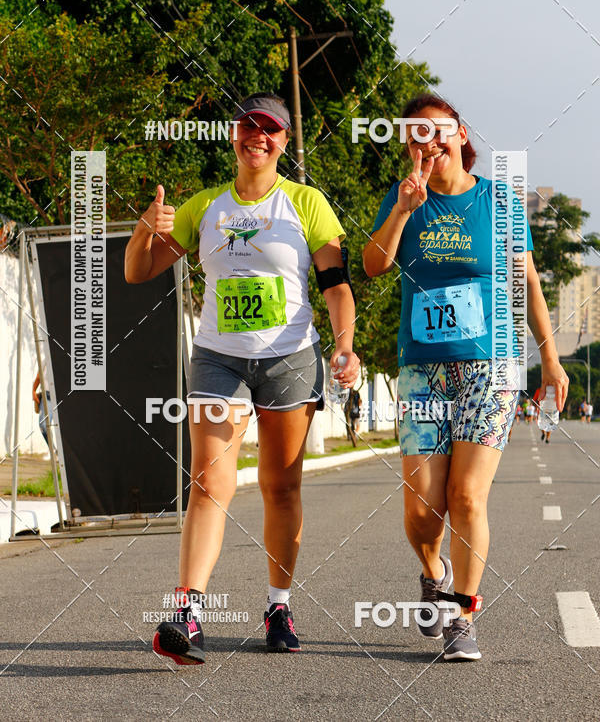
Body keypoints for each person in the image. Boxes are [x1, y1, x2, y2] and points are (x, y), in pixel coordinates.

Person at [125, 92, 359, 664]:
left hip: (290, 359)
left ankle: (278, 606)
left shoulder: (306, 203)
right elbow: (138, 271)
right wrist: (142, 230)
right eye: (249, 127)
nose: (259, 137)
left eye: (270, 130)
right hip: (218, 358)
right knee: (209, 485)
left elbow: (336, 287)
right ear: (234, 135)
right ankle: (188, 613)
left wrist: (345, 345)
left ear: (284, 141)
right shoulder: (203, 206)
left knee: (281, 487)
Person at [363, 93, 568, 661]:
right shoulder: (404, 198)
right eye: (416, 134)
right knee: (422, 511)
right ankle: (434, 573)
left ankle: (462, 614)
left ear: (460, 135)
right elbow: (374, 266)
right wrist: (403, 210)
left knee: (467, 497)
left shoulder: (499, 203)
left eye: (438, 129)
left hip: (491, 368)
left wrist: (550, 358)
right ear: (410, 148)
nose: (429, 141)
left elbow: (527, 284)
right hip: (422, 369)